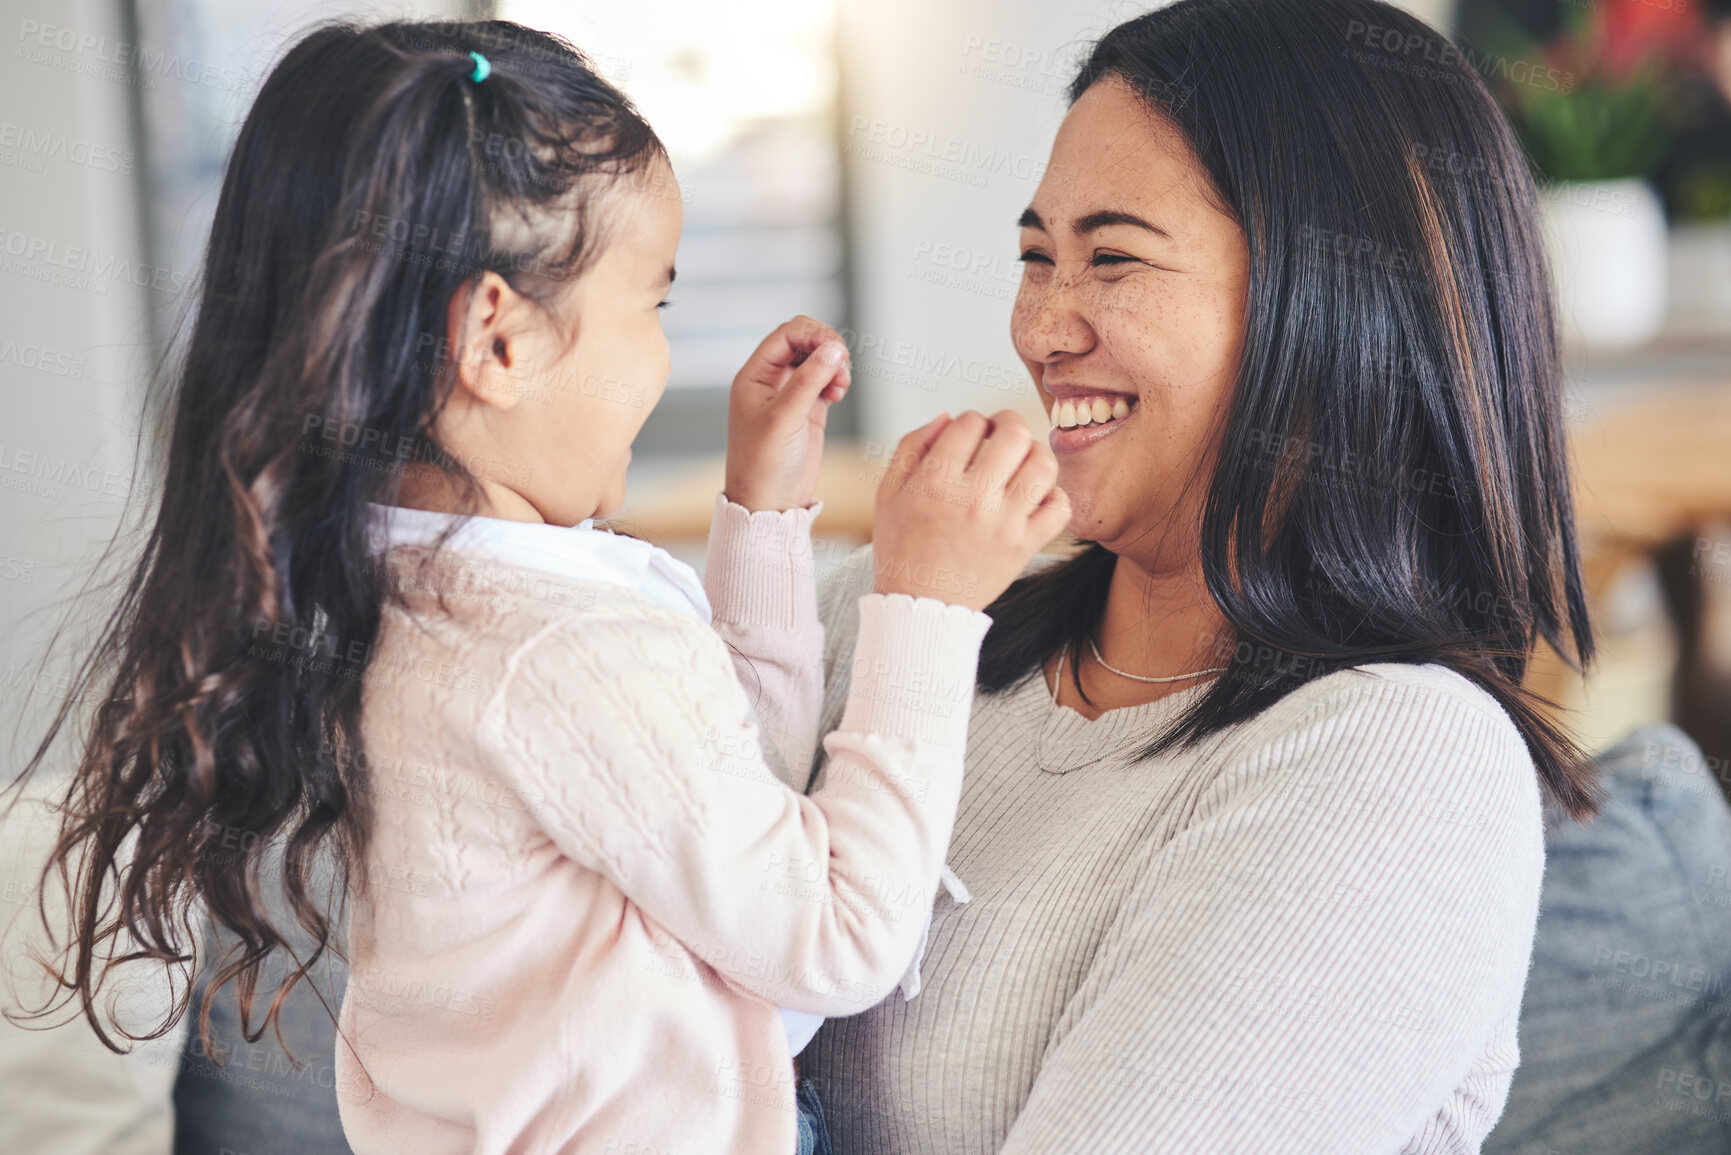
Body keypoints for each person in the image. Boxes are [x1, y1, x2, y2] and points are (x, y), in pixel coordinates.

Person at [5, 20, 1069, 1155]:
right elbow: (838, 937)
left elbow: (726, 800)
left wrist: (761, 513)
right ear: (498, 344)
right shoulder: (555, 646)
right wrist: (929, 602)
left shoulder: (401, 600)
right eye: (650, 308)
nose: (663, 359)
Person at [798, 0, 1600, 1151]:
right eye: (1037, 257)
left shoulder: (1398, 763)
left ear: (1333, 300)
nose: (1041, 328)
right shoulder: (903, 622)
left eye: (1111, 260)